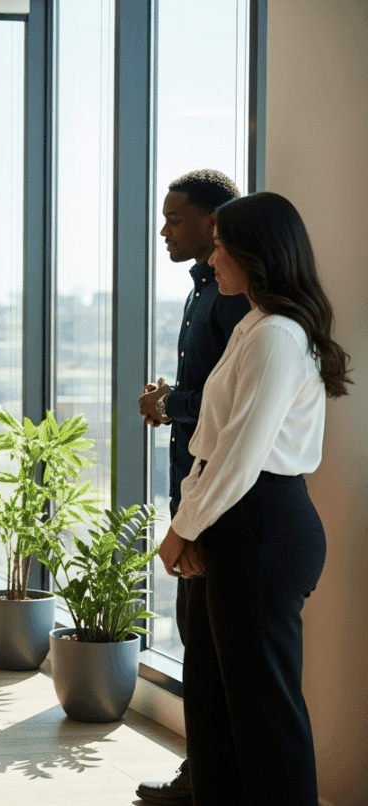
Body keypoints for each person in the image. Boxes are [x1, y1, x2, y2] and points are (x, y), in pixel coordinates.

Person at [158, 192, 351, 806]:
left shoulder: (277, 336)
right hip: (238, 521)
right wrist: (197, 523)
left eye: (219, 245)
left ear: (252, 252)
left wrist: (183, 528)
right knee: (216, 703)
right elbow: (212, 447)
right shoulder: (253, 326)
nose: (211, 257)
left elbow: (240, 453)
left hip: (263, 524)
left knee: (265, 716)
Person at [135, 169, 249, 806]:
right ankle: (202, 777)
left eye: (174, 219)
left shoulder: (231, 296)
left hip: (213, 499)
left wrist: (170, 403)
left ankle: (206, 783)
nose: (162, 230)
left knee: (208, 650)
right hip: (194, 489)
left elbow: (227, 399)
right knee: (198, 643)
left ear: (213, 222)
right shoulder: (201, 288)